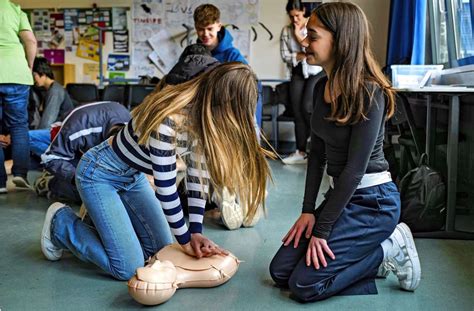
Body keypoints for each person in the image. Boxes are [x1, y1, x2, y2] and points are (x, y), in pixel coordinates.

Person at [41, 62, 272, 281]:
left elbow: (197, 180)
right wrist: (185, 240)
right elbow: (166, 188)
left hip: (132, 178)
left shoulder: (202, 121)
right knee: (128, 267)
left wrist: (196, 232)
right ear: (223, 102)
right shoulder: (170, 119)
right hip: (99, 174)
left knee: (158, 252)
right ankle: (60, 224)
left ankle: (97, 225)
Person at [269, 2, 421, 302]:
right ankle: (356, 257)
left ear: (340, 40)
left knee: (303, 285)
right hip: (341, 197)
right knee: (280, 272)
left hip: (373, 204)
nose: (304, 42)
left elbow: (354, 170)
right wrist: (308, 212)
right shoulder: (320, 87)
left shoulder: (371, 92)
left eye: (312, 36)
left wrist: (323, 231)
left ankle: (388, 248)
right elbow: (317, 154)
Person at [35, 101, 131, 203]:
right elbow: (49, 158)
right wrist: (81, 178)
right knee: (92, 195)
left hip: (91, 147)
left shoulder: (133, 129)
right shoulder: (79, 126)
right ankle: (51, 183)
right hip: (69, 149)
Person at [0, 0, 37, 191]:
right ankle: (20, 174)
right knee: (19, 126)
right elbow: (30, 40)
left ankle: (0, 183)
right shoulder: (14, 9)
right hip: (16, 74)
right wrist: (29, 66)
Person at [280, 0, 323, 165]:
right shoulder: (286, 31)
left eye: (297, 15)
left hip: (315, 72)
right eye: (291, 17)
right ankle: (300, 151)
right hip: (297, 73)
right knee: (297, 112)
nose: (294, 20)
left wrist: (299, 37)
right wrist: (300, 56)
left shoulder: (312, 28)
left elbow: (311, 50)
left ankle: (316, 149)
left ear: (304, 11)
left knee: (307, 107)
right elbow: (285, 56)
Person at [28, 57, 74, 158]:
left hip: (61, 132)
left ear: (42, 73)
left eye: (34, 75)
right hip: (57, 130)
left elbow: (47, 123)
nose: (33, 79)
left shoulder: (55, 91)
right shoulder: (48, 90)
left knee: (23, 138)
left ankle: (55, 158)